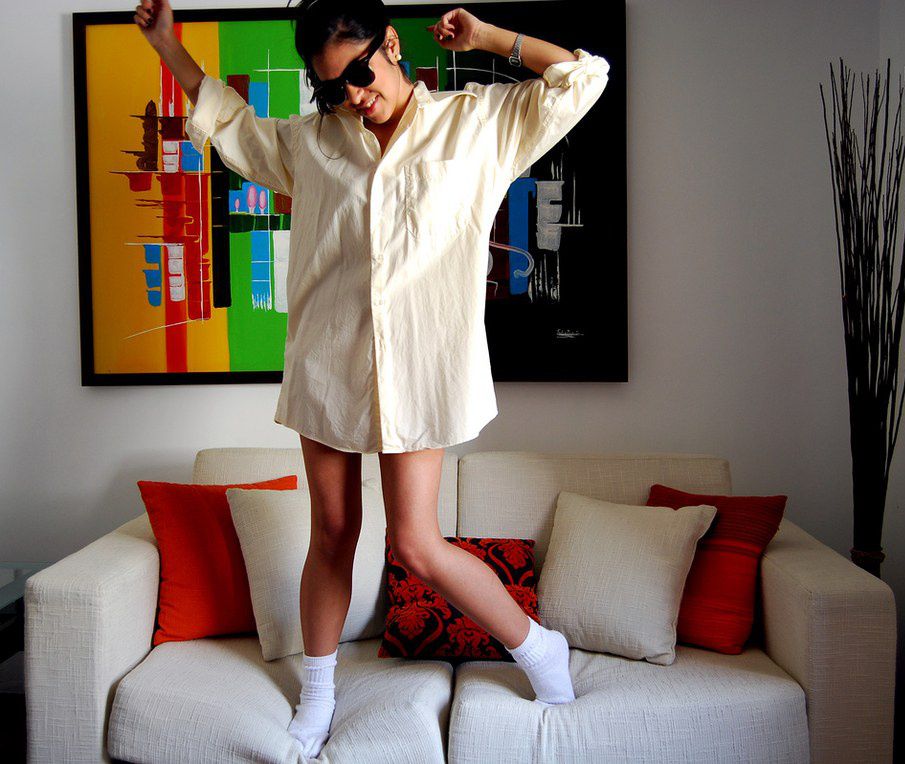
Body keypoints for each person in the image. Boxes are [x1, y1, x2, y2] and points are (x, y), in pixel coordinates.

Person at [134, 0, 609, 758]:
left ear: (390, 44)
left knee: (417, 545)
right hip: (329, 363)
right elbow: (230, 123)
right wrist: (166, 44)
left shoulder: (475, 124)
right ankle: (319, 694)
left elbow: (584, 79)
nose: (354, 95)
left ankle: (538, 647)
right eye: (333, 86)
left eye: (361, 72)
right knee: (332, 533)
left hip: (422, 368)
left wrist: (489, 37)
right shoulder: (311, 143)